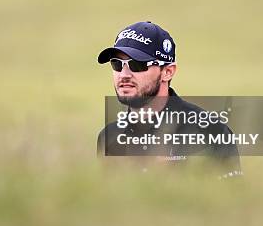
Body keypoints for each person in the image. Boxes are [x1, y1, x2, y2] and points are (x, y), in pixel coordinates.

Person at [97, 21, 242, 177]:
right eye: (116, 64)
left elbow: (231, 197)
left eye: (137, 65)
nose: (124, 74)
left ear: (168, 72)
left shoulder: (211, 131)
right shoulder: (108, 136)